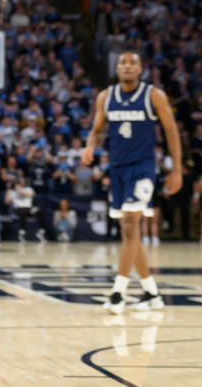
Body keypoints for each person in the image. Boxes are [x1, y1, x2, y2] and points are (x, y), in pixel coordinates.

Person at [82, 51, 181, 314]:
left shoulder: (153, 95)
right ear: (117, 69)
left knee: (128, 226)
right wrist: (89, 147)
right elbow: (96, 130)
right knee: (131, 232)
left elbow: (171, 131)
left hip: (143, 169)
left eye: (132, 63)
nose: (127, 66)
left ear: (140, 70)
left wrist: (177, 169)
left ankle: (118, 293)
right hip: (117, 170)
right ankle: (151, 293)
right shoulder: (106, 97)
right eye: (123, 63)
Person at [4, 173, 45, 243]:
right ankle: (21, 233)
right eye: (19, 181)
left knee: (40, 212)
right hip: (18, 209)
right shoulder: (12, 191)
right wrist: (9, 188)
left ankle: (40, 232)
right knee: (23, 212)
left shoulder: (28, 189)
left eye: (22, 181)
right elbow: (6, 201)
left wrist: (20, 189)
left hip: (29, 209)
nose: (21, 183)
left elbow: (30, 194)